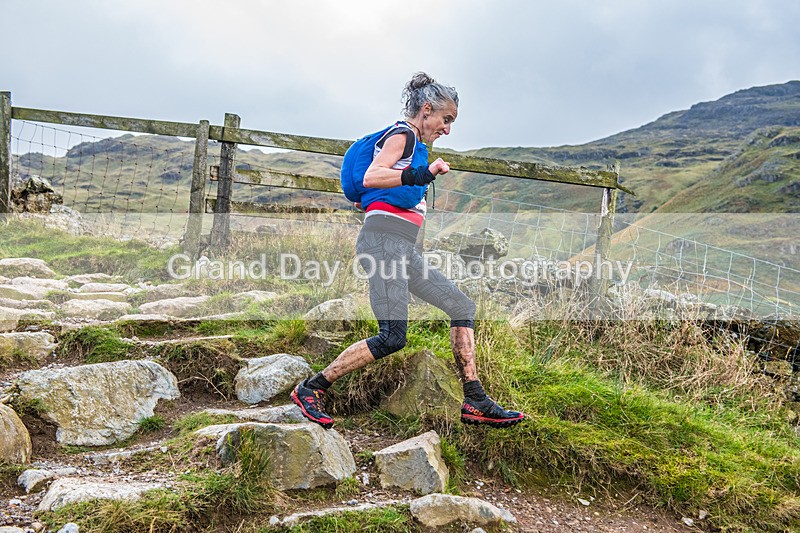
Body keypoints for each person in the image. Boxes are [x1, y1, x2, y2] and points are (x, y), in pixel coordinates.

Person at [291, 72, 525, 429]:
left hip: (400, 247)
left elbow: (375, 192)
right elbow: (372, 176)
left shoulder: (414, 144)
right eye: (446, 120)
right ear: (427, 110)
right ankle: (311, 388)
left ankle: (475, 399)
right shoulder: (402, 135)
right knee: (392, 336)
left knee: (462, 306)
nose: (447, 128)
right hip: (384, 245)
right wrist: (422, 175)